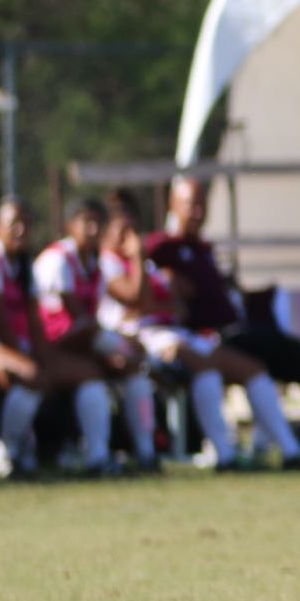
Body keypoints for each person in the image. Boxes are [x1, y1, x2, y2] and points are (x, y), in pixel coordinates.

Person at [148, 176, 300, 469]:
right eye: (190, 204)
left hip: (239, 332)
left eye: (202, 203)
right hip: (213, 338)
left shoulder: (204, 249)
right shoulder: (163, 247)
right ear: (173, 205)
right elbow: (138, 280)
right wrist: (166, 287)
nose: (198, 211)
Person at [0, 197, 116, 478]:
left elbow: (35, 325)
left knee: (88, 372)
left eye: (26, 223)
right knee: (32, 376)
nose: (21, 230)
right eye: (14, 223)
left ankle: (97, 456)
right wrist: (38, 365)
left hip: (10, 343)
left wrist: (49, 360)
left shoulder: (26, 266)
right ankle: (7, 453)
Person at [99, 193, 254, 470]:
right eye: (123, 231)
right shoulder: (108, 263)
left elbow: (179, 306)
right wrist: (138, 261)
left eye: (134, 231)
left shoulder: (145, 266)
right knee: (201, 365)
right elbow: (138, 297)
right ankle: (219, 451)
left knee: (248, 367)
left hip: (169, 331)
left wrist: (153, 298)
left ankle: (281, 448)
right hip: (135, 339)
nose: (131, 238)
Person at [30, 198, 161, 471]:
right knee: (100, 372)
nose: (92, 229)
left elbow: (136, 302)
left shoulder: (97, 262)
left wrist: (139, 255)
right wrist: (111, 352)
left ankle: (145, 452)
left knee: (135, 370)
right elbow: (78, 320)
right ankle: (96, 457)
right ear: (69, 225)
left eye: (98, 223)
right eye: (86, 222)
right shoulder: (58, 260)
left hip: (82, 345)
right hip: (51, 348)